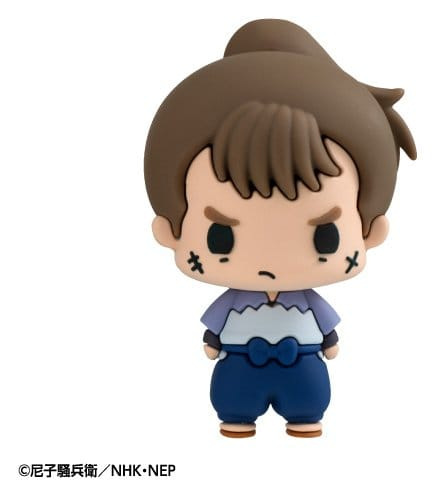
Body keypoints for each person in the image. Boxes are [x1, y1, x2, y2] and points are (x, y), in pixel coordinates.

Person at [144, 19, 416, 437]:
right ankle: (237, 417)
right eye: (221, 236)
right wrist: (213, 342)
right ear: (169, 230)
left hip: (302, 364)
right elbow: (214, 330)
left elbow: (327, 331)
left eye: (324, 234)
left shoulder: (307, 302)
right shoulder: (238, 301)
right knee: (233, 399)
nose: (269, 261)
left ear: (371, 230)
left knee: (308, 397)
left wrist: (329, 342)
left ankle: (304, 417)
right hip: (239, 365)